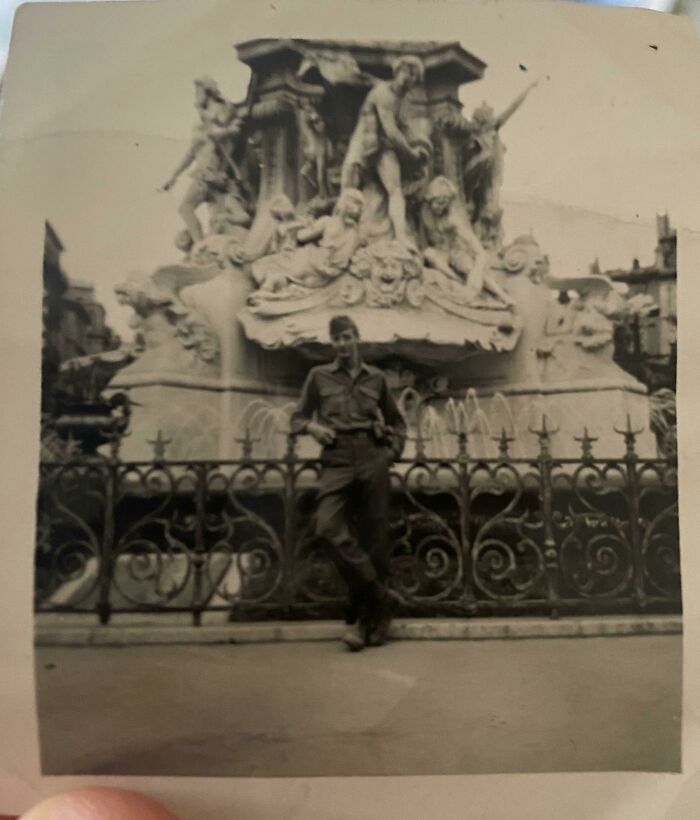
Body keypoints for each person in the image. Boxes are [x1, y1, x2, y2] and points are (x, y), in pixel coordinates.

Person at [291, 315, 406, 651]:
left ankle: (370, 621)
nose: (342, 344)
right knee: (326, 526)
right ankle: (382, 597)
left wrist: (390, 453)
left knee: (375, 537)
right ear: (332, 344)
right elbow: (296, 418)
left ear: (357, 337)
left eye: (346, 337)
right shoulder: (318, 376)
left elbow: (398, 423)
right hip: (337, 458)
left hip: (372, 457)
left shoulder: (377, 378)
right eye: (336, 339)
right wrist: (312, 428)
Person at [340, 55, 429, 246]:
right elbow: (392, 131)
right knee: (349, 179)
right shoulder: (383, 93)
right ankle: (338, 229)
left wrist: (421, 146)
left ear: (416, 82)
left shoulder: (404, 101)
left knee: (395, 189)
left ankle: (400, 238)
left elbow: (405, 128)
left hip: (385, 147)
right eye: (406, 71)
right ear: (397, 71)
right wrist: (411, 154)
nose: (408, 77)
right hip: (364, 141)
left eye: (413, 75)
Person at [160, 77, 247, 243]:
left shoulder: (218, 113)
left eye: (198, 91)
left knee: (186, 208)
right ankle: (204, 245)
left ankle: (200, 245)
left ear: (207, 91)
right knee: (214, 220)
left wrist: (220, 124)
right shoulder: (201, 125)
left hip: (209, 173)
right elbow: (190, 154)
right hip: (205, 174)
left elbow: (222, 132)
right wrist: (173, 177)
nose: (196, 95)